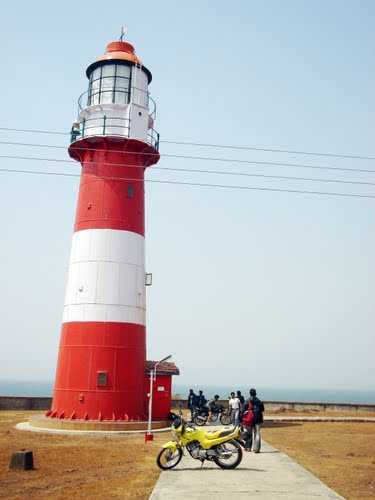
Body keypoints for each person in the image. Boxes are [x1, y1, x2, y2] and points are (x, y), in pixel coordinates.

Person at [243, 388, 265, 452]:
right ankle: (256, 449)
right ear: (255, 393)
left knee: (249, 434)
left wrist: (242, 419)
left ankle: (248, 448)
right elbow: (262, 410)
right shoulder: (259, 401)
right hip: (258, 418)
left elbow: (243, 410)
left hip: (249, 419)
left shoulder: (247, 400)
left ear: (250, 393)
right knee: (257, 433)